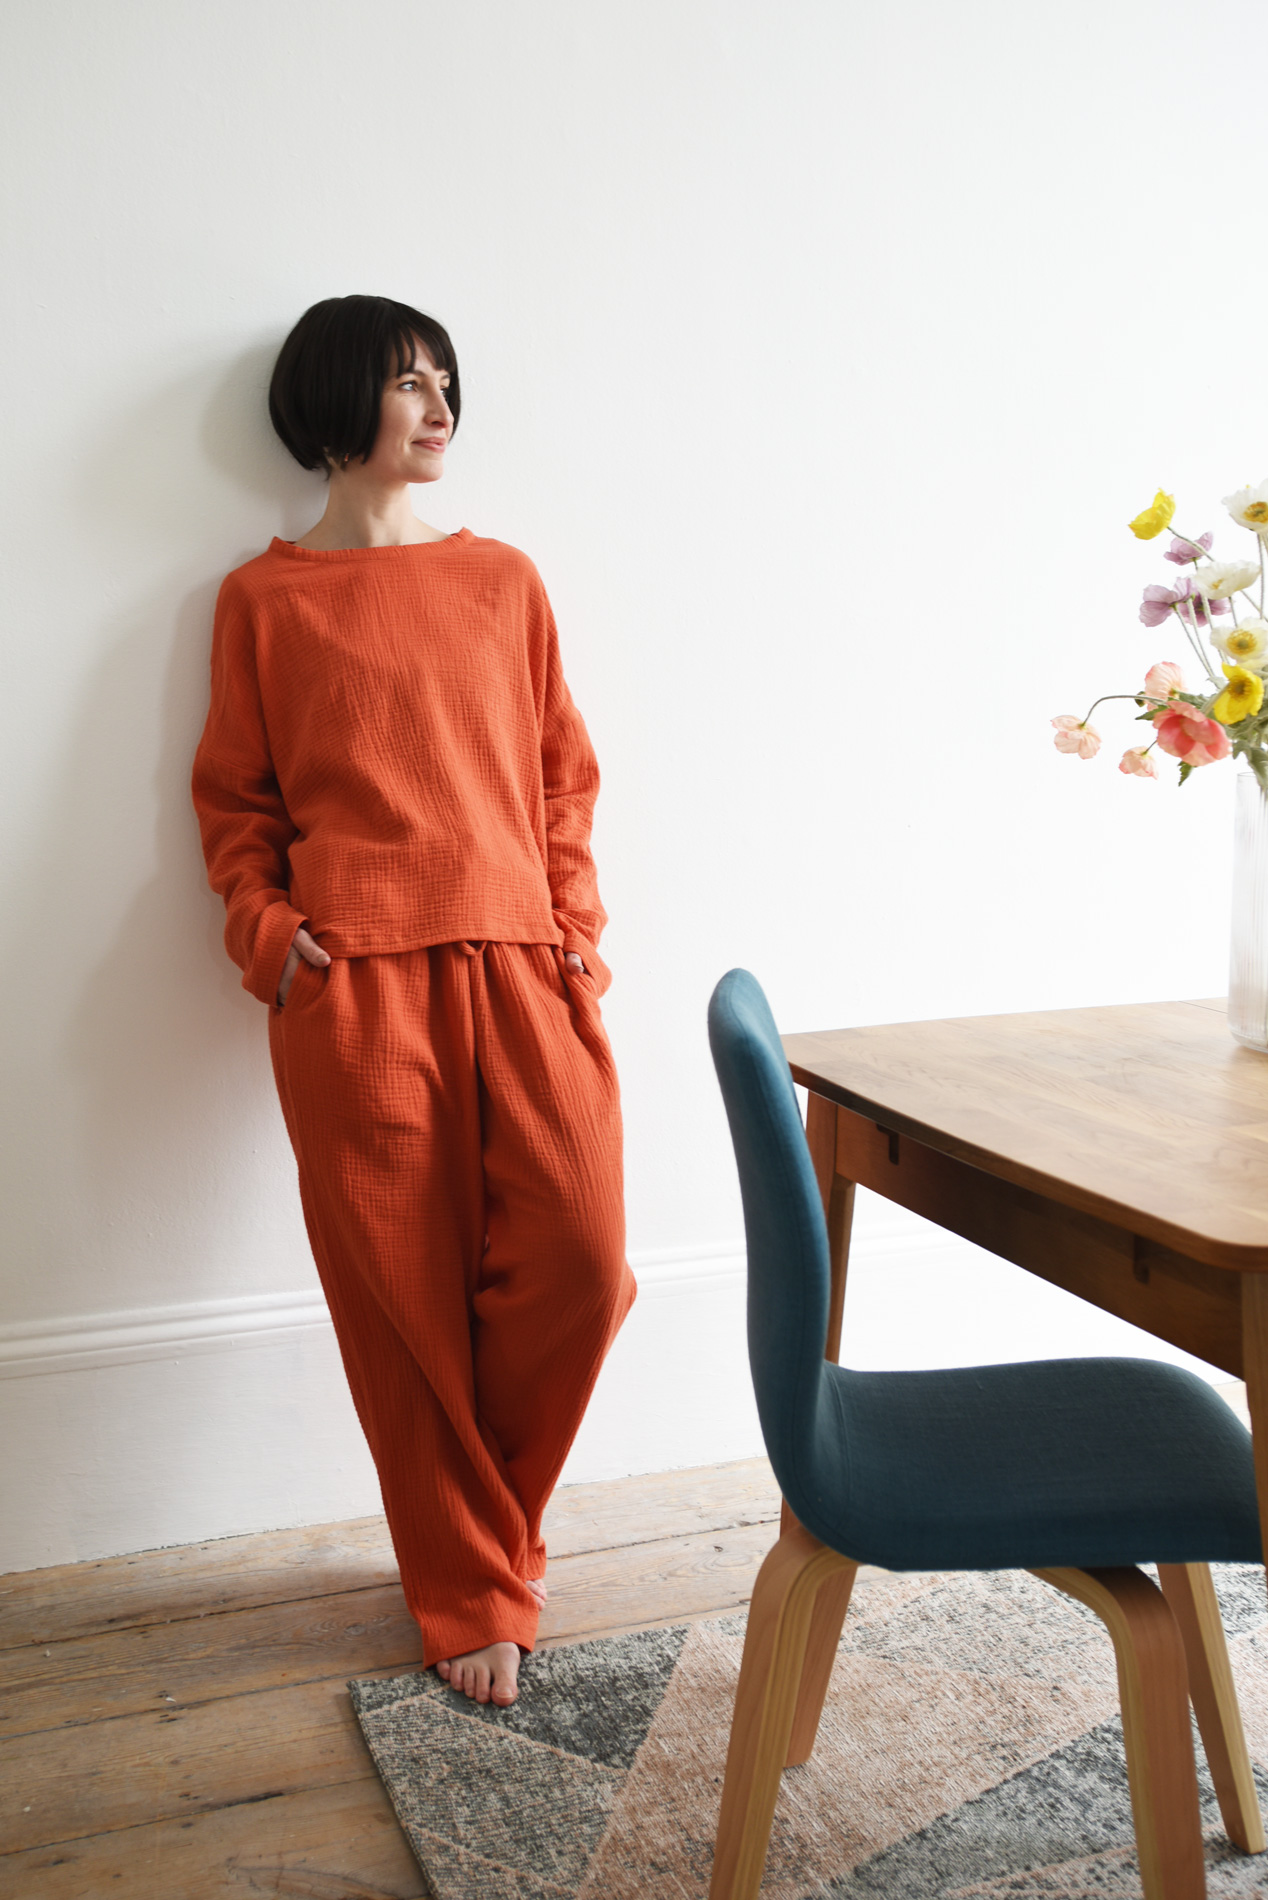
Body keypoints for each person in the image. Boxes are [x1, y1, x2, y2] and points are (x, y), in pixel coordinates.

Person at [192, 294, 635, 1708]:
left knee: (584, 1259)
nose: (440, 409)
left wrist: (576, 935)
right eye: (406, 384)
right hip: (353, 985)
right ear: (336, 404)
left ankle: (486, 1541)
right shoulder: (262, 602)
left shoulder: (504, 581)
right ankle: (471, 1585)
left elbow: (562, 778)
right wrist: (268, 936)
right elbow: (237, 804)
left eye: (446, 382)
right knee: (403, 1305)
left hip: (523, 962)